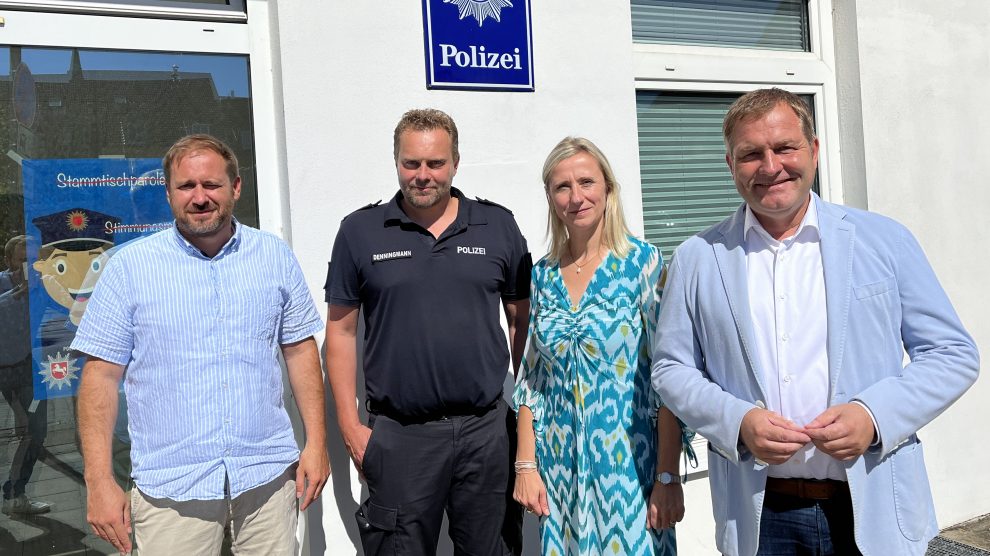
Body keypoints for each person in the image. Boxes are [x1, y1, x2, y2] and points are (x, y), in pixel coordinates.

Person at [651, 88, 979, 556]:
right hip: (761, 518)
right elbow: (670, 369)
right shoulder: (698, 258)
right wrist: (738, 421)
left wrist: (873, 414)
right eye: (750, 154)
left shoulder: (884, 240)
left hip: (873, 505)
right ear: (730, 164)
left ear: (815, 151)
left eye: (784, 147)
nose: (770, 166)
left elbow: (953, 354)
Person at [72, 134, 329, 555]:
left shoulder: (273, 256)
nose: (199, 197)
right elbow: (100, 376)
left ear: (236, 188)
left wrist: (316, 444)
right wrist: (99, 481)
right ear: (169, 194)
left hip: (265, 479)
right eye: (186, 186)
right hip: (171, 490)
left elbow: (300, 350)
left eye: (211, 185)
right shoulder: (129, 268)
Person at [324, 108, 531, 555]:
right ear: (396, 161)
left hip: (486, 432)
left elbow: (521, 321)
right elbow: (339, 333)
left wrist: (529, 416)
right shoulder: (360, 232)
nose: (423, 175)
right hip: (400, 436)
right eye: (410, 163)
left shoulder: (497, 226)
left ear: (455, 161)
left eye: (435, 163)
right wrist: (349, 425)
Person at [512, 137, 693, 554]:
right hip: (558, 474)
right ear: (550, 197)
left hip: (630, 468)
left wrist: (668, 476)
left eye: (586, 182)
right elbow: (531, 380)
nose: (576, 197)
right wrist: (526, 466)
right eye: (562, 187)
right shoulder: (542, 276)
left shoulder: (642, 264)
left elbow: (668, 377)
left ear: (608, 188)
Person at [0, 235, 52, 515]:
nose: (30, 266)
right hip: (5, 369)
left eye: (35, 260)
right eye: (23, 260)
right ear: (8, 261)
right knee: (23, 428)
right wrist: (18, 291)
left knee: (36, 431)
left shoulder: (44, 287)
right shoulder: (3, 282)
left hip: (31, 367)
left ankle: (16, 493)